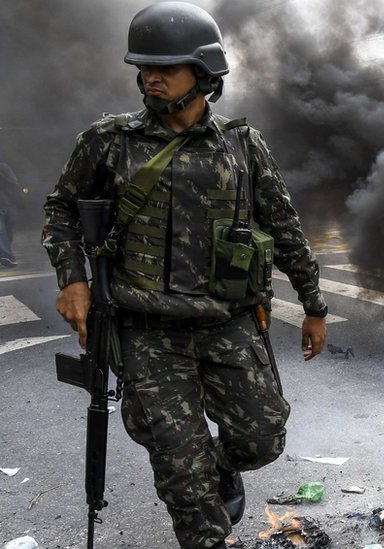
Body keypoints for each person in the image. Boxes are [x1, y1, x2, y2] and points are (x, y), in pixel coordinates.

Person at [41, 4, 328, 548]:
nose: (151, 76)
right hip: (148, 333)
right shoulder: (109, 141)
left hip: (229, 322)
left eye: (166, 66)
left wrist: (315, 306)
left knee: (262, 438)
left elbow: (285, 227)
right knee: (183, 473)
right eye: (145, 66)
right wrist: (72, 278)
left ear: (204, 73)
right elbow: (60, 208)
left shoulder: (243, 146)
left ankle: (219, 466)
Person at [0, 162, 21, 268]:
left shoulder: (3, 167)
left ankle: (5, 254)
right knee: (1, 230)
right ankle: (7, 256)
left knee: (8, 232)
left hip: (7, 203)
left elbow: (14, 183)